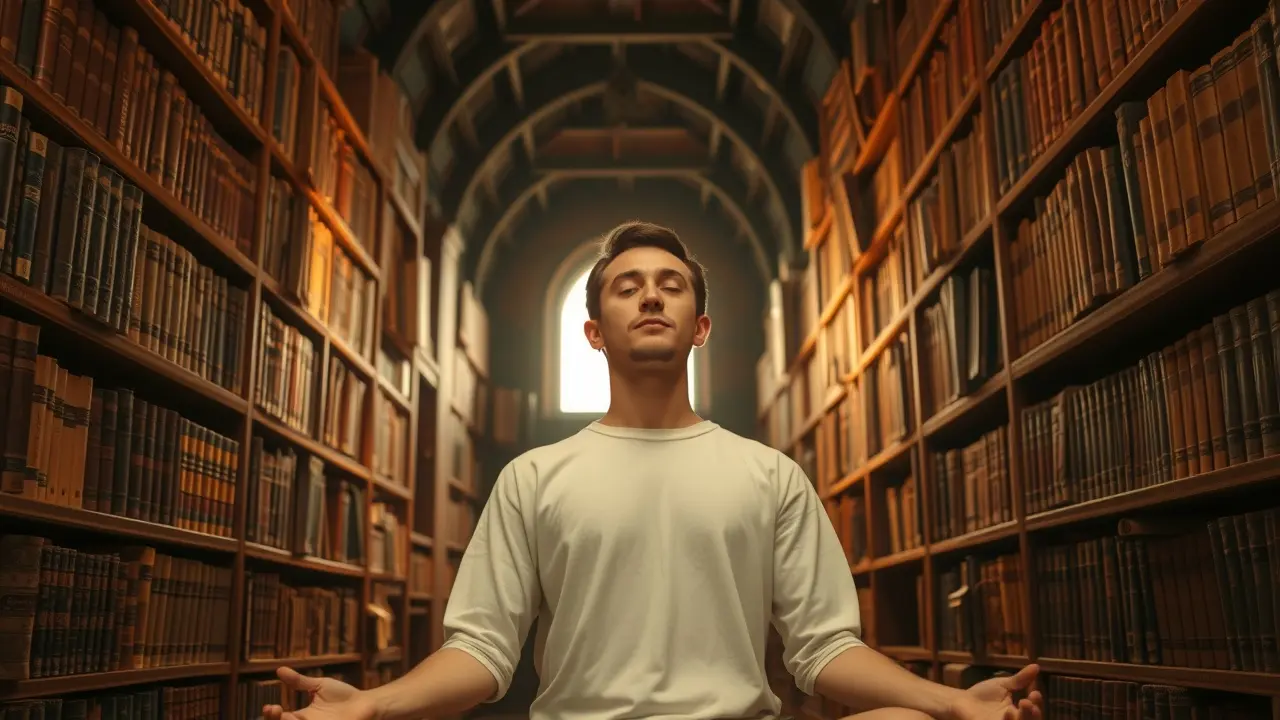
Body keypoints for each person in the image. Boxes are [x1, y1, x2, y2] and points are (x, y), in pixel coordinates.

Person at [263, 221, 1046, 720]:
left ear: (699, 327)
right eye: (626, 288)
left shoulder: (768, 475)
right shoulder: (534, 477)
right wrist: (371, 708)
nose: (650, 298)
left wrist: (951, 703)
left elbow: (821, 651)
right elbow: (483, 652)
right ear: (594, 331)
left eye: (671, 287)